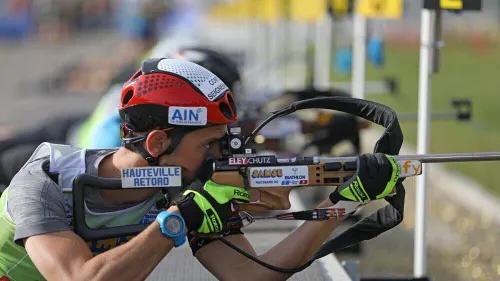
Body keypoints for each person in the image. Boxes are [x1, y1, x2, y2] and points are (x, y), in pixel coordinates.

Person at [0, 58, 400, 281]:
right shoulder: (43, 182)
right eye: (208, 144)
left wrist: (338, 205)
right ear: (158, 143)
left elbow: (250, 277)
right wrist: (179, 219)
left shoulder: (186, 187)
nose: (219, 156)